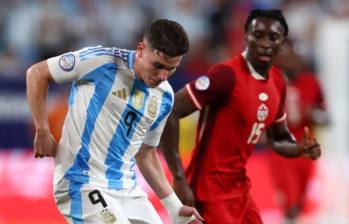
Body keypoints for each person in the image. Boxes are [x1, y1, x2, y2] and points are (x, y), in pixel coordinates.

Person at [26, 19, 203, 224]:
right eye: (158, 65)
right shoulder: (101, 62)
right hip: (82, 183)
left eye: (171, 69)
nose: (163, 76)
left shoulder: (164, 96)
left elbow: (146, 154)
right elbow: (37, 74)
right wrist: (42, 130)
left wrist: (174, 207)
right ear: (141, 49)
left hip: (128, 190)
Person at [160, 9, 321, 224]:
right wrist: (179, 178)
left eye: (272, 37)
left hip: (240, 189)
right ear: (246, 38)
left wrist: (300, 148)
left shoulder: (277, 82)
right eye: (258, 35)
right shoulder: (226, 75)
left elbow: (278, 138)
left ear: (281, 44)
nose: (265, 43)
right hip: (208, 191)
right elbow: (171, 111)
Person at [267, 39, 328, 223]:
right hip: (282, 151)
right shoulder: (269, 82)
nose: (291, 61)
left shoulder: (311, 82)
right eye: (287, 56)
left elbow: (326, 118)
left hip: (306, 151)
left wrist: (312, 113)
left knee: (301, 205)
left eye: (295, 57)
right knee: (290, 206)